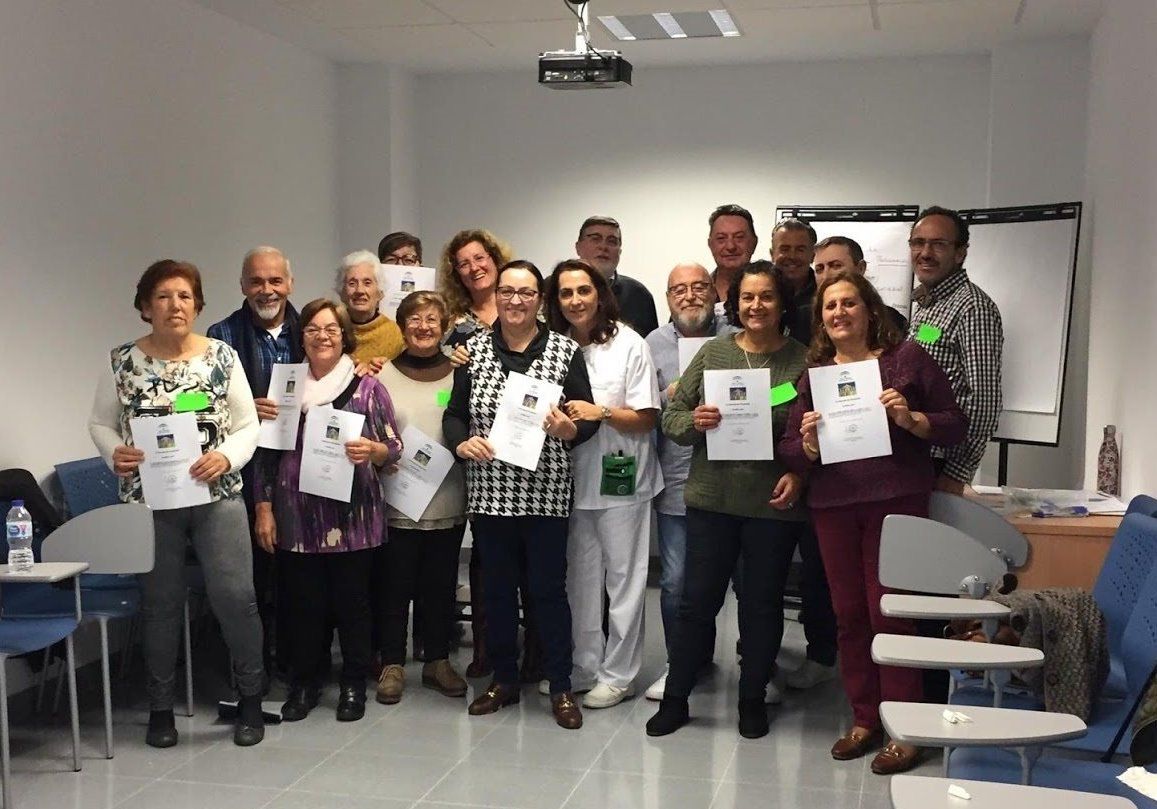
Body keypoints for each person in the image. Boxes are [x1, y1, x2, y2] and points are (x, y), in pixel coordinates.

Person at [780, 271, 967, 775]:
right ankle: (865, 718)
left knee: (893, 614)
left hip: (896, 500)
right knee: (849, 615)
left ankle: (905, 726)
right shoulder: (816, 373)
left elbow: (953, 423)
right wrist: (809, 445)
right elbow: (791, 447)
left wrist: (911, 420)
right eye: (829, 307)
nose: (838, 313)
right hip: (835, 506)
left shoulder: (905, 358)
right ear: (821, 319)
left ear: (869, 309)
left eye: (848, 303)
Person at [88, 259, 266, 748]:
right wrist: (113, 452)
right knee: (161, 605)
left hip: (217, 497)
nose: (175, 305)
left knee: (236, 598)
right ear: (146, 307)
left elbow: (248, 424)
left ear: (198, 304)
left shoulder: (221, 357)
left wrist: (227, 457)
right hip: (150, 503)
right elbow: (101, 423)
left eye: (185, 296)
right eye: (164, 296)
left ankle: (251, 701)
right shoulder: (122, 361)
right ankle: (160, 709)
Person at [645, 261, 810, 740]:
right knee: (696, 604)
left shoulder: (801, 361)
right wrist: (693, 421)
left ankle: (752, 697)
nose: (755, 306)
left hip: (770, 505)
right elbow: (671, 418)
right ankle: (677, 696)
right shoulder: (714, 353)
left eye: (766, 297)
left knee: (760, 606)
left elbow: (810, 432)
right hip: (711, 500)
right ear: (734, 304)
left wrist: (798, 474)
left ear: (781, 304)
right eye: (747, 298)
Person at [443, 259, 599, 729]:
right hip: (490, 495)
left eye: (526, 293)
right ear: (499, 296)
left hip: (546, 493)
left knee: (549, 592)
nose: (515, 300)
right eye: (507, 291)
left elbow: (584, 420)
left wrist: (571, 428)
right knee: (497, 593)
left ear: (539, 299)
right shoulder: (472, 351)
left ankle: (561, 686)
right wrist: (460, 441)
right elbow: (453, 413)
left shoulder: (564, 350)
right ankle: (504, 680)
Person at [253, 298, 402, 723]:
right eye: (314, 329)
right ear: (301, 337)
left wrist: (373, 450)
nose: (323, 336)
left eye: (332, 329)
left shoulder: (368, 387)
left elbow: (393, 449)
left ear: (344, 336)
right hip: (297, 518)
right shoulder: (283, 387)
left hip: (353, 519)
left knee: (353, 604)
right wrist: (264, 508)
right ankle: (305, 681)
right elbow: (264, 454)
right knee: (303, 605)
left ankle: (354, 683)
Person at [543, 259, 661, 708]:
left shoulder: (629, 344)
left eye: (583, 291)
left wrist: (602, 413)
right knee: (581, 580)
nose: (575, 300)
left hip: (621, 481)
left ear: (600, 294)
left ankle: (620, 674)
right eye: (566, 293)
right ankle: (584, 666)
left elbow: (648, 418)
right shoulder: (553, 347)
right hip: (569, 481)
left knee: (625, 581)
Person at [437, 228, 544, 681]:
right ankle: (487, 649)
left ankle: (536, 653)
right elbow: (445, 387)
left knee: (537, 569)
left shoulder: (530, 311)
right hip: (483, 462)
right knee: (488, 565)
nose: (474, 267)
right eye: (463, 263)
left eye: (480, 258)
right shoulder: (456, 327)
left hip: (534, 463)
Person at [206, 246, 302, 680]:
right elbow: (190, 401)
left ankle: (298, 661)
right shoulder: (219, 335)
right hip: (244, 474)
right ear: (242, 285)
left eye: (275, 281)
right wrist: (238, 408)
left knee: (300, 576)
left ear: (290, 284)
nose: (267, 290)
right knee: (254, 578)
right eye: (257, 281)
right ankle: (253, 669)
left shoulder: (312, 329)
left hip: (305, 469)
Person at [642, 262, 735, 701]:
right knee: (677, 581)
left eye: (699, 286)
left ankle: (751, 666)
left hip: (733, 480)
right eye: (679, 289)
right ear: (668, 297)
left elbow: (783, 393)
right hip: (677, 479)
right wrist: (668, 396)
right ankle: (680, 663)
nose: (690, 295)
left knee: (739, 582)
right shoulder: (651, 345)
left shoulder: (737, 335)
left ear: (714, 293)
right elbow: (638, 409)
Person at [374, 291, 469, 705]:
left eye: (433, 319)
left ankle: (437, 661)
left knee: (440, 584)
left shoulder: (461, 371)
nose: (424, 327)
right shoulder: (381, 376)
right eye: (415, 319)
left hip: (448, 494)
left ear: (445, 324)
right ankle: (392, 663)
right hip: (398, 497)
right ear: (402, 324)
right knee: (394, 585)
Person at [907, 206, 1003, 494]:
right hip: (918, 454)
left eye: (938, 244)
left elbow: (984, 400)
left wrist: (957, 472)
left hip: (942, 463)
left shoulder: (973, 308)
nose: (925, 252)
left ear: (960, 253)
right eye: (918, 242)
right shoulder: (928, 305)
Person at [574, 216, 659, 336]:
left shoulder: (638, 295)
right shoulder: (553, 287)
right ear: (578, 247)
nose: (603, 247)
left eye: (612, 241)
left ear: (619, 251)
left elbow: (649, 347)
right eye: (595, 239)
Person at [813, 236, 908, 332]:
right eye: (819, 269)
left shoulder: (892, 320)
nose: (826, 276)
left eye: (836, 266)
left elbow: (920, 341)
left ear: (861, 268)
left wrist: (923, 333)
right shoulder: (807, 319)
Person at [335, 250, 405, 367]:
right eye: (352, 283)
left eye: (367, 283)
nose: (360, 290)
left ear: (380, 292)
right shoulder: (332, 328)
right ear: (342, 292)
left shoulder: (394, 333)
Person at [771, 218, 818, 344]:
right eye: (785, 249)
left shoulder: (825, 299)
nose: (792, 256)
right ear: (772, 254)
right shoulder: (760, 297)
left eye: (800, 249)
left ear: (813, 256)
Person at [707, 204, 759, 306]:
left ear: (754, 243)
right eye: (721, 238)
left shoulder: (773, 292)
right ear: (710, 244)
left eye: (739, 237)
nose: (730, 246)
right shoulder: (697, 294)